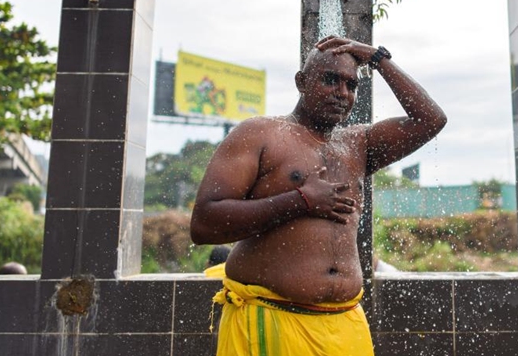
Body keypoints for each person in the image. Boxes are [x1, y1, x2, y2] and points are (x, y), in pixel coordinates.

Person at [191, 36, 447, 356]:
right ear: (301, 82)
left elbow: (431, 120)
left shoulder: (359, 144)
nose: (342, 93)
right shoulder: (260, 133)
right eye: (330, 80)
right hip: (272, 319)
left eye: (351, 85)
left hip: (345, 323)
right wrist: (300, 201)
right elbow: (204, 224)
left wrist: (378, 58)